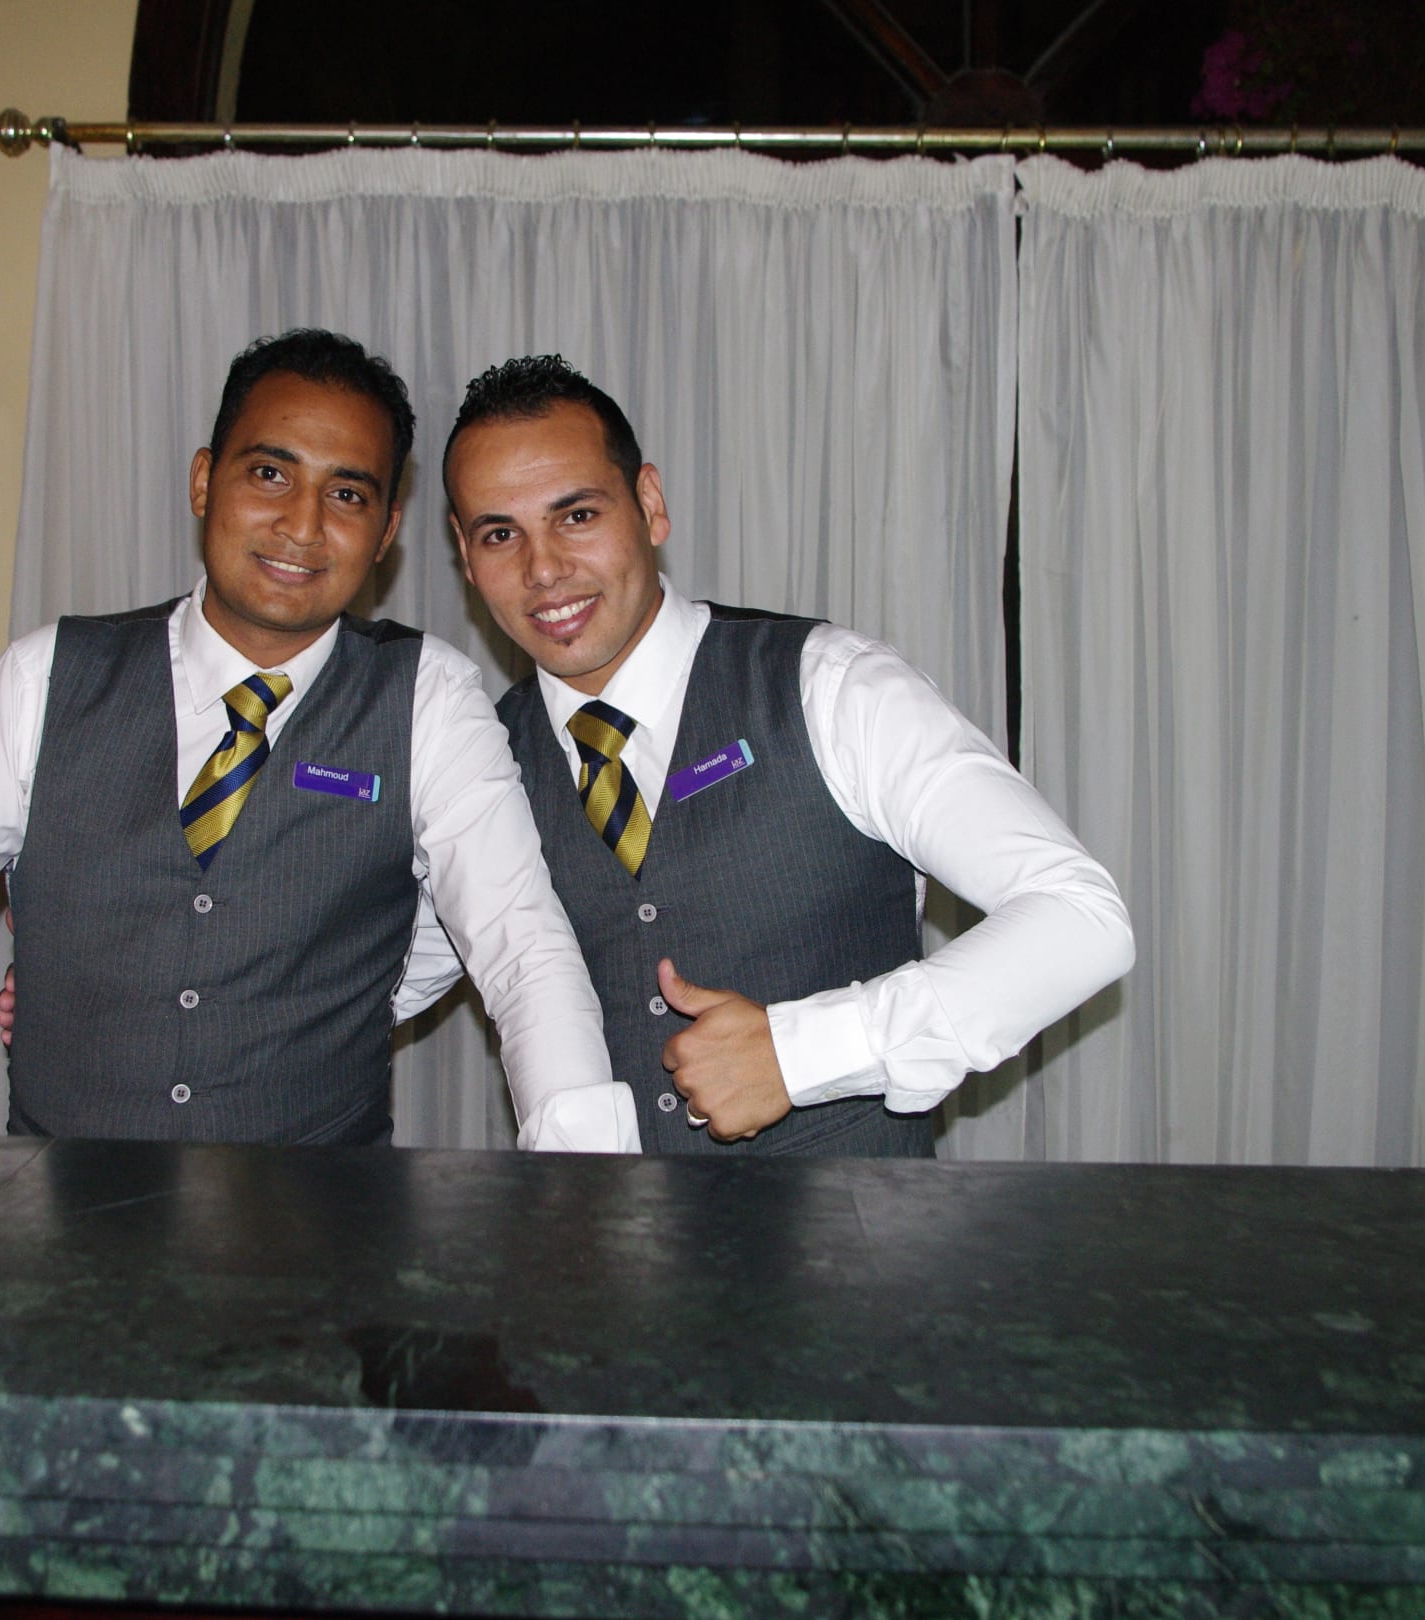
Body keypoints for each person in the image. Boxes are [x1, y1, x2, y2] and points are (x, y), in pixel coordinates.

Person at [0, 331, 635, 1152]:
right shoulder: (44, 677)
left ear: (387, 531)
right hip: (61, 1210)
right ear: (203, 481)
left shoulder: (429, 696)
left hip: (324, 1218)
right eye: (269, 474)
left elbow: (522, 950)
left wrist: (584, 1187)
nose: (302, 524)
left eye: (347, 494)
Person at [439, 355, 1135, 1155]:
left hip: (857, 1230)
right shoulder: (473, 763)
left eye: (577, 515)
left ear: (650, 504)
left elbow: (1080, 917)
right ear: (466, 556)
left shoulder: (832, 685)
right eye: (501, 534)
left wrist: (804, 1053)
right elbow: (371, 967)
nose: (544, 569)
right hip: (607, 1236)